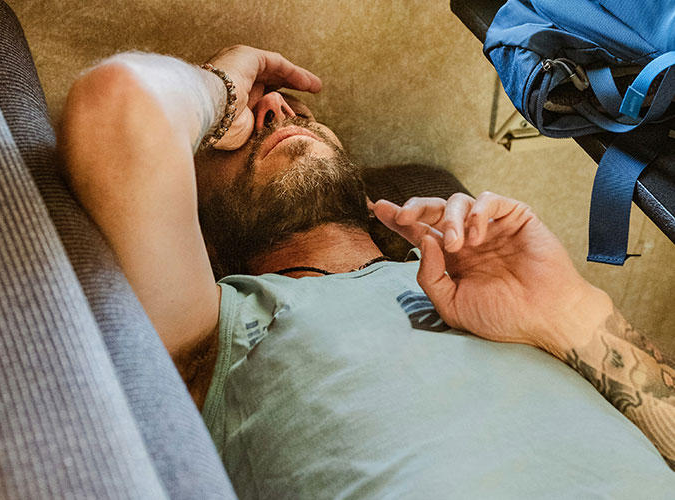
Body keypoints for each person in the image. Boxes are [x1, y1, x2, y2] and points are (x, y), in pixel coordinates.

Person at [59, 44, 675, 498]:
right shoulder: (214, 324)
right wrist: (221, 90)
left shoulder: (481, 281)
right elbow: (119, 106)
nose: (275, 108)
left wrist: (564, 308)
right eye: (234, 132)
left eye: (299, 112)